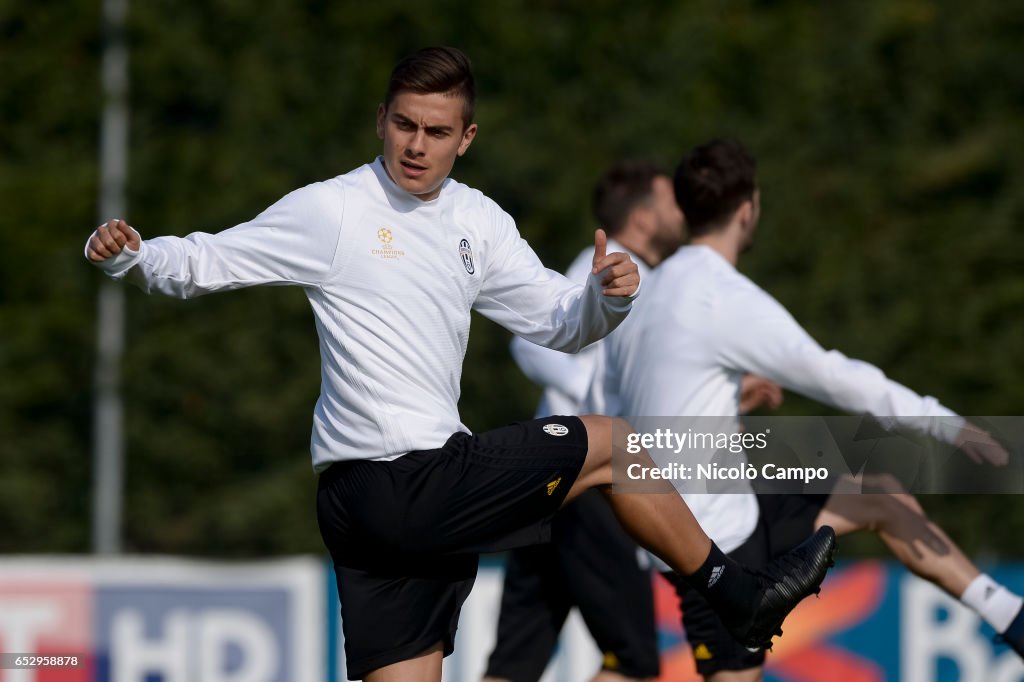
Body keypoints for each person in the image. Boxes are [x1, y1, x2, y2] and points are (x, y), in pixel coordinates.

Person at [84, 49, 835, 682]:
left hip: (386, 514)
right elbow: (209, 259)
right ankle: (734, 591)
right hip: (392, 482)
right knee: (614, 443)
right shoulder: (333, 209)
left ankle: (736, 594)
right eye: (404, 125)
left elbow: (559, 322)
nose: (416, 144)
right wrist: (136, 257)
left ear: (465, 137)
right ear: (381, 120)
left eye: (436, 131)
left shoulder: (477, 220)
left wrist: (606, 300)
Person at [602, 138, 1024, 680]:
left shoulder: (652, 291)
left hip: (688, 514)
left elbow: (639, 398)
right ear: (748, 207)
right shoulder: (723, 298)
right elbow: (835, 376)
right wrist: (943, 422)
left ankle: (1008, 612)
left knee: (881, 494)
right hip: (712, 541)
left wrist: (726, 398)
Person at [483, 160, 684, 682]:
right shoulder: (613, 271)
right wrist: (591, 412)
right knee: (635, 664)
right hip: (588, 484)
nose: (682, 210)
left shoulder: (624, 273)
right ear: (641, 217)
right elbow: (530, 342)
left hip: (550, 484)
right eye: (671, 200)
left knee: (513, 664)